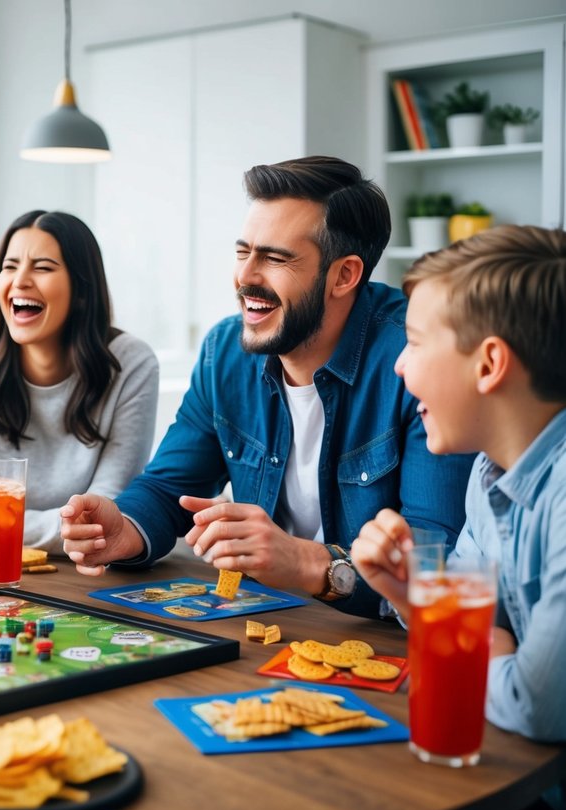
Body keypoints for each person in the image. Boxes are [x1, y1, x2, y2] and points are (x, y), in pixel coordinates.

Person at [59, 156, 474, 619]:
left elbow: (438, 560)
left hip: (392, 647)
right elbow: (170, 486)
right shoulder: (225, 351)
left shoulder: (415, 361)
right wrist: (124, 529)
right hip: (270, 624)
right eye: (243, 252)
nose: (246, 277)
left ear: (344, 275)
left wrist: (309, 563)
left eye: (275, 258)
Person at [351, 225, 566, 741]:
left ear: (489, 364)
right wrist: (410, 596)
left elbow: (536, 707)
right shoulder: (488, 473)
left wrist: (488, 648)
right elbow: (469, 629)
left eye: (415, 342)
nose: (399, 366)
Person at [0, 210, 158, 555]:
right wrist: (66, 529)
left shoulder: (132, 364)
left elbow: (105, 521)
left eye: (43, 267)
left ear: (82, 291)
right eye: (9, 266)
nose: (20, 281)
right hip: (0, 571)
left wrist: (4, 526)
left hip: (93, 572)